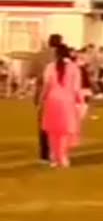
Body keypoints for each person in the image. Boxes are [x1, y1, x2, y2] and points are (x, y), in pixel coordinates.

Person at [41, 45, 85, 168]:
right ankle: (63, 157)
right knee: (65, 131)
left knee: (52, 131)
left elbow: (46, 85)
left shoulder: (50, 67)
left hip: (52, 101)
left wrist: (41, 99)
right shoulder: (74, 68)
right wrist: (80, 102)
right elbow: (77, 88)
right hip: (67, 101)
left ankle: (54, 158)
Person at [32, 33, 64, 161]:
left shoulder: (39, 55)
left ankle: (44, 154)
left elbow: (32, 73)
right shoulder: (62, 55)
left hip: (42, 92)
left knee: (43, 124)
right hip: (59, 93)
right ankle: (56, 151)